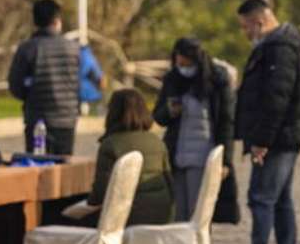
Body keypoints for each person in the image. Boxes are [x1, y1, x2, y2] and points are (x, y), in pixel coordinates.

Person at [233, 0, 300, 244]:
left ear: (259, 22)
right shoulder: (279, 45)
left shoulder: (279, 49)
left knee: (261, 198)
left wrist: (262, 141)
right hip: (284, 136)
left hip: (279, 138)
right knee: (280, 199)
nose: (245, 33)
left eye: (246, 27)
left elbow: (276, 99)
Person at [153, 37, 237, 222]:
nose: (182, 66)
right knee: (178, 213)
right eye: (178, 61)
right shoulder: (172, 79)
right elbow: (158, 117)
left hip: (203, 155)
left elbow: (226, 122)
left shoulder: (216, 80)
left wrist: (225, 161)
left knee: (197, 213)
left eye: (185, 61)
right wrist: (170, 111)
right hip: (176, 154)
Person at [67, 89, 174, 227]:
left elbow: (99, 196)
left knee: (61, 216)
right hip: (161, 216)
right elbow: (170, 184)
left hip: (125, 220)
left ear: (113, 113)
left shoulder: (111, 144)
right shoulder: (157, 142)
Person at [8, 0, 80, 155]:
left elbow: (15, 86)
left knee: (37, 168)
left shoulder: (27, 48)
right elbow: (84, 82)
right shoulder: (74, 49)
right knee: (64, 171)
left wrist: (30, 96)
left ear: (35, 21)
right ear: (56, 21)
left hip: (36, 119)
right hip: (66, 120)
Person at [79, 42, 104, 115]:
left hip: (74, 89)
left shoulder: (74, 55)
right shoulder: (90, 58)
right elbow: (98, 74)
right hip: (89, 90)